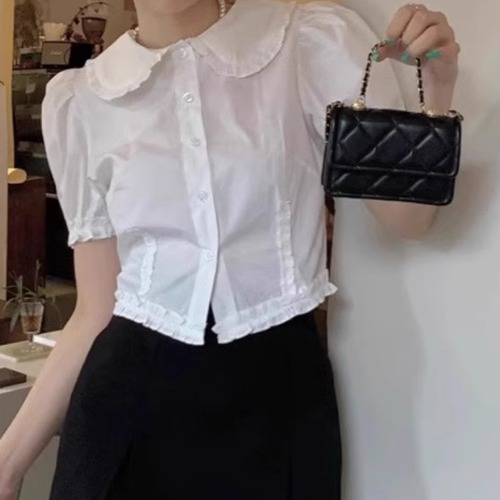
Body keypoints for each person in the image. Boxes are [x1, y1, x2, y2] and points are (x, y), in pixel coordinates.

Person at [0, 0, 459, 498]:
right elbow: (94, 311)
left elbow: (409, 220)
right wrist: (8, 465)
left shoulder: (306, 43)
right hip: (123, 409)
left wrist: (437, 85)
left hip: (275, 406)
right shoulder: (83, 100)